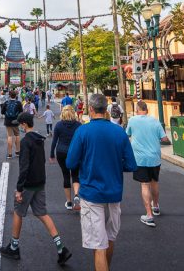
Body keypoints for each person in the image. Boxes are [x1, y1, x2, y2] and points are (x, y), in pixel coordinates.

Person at [66, 93, 137, 271]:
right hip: (114, 192)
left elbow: (70, 163)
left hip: (91, 193)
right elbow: (131, 164)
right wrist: (113, 163)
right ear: (106, 110)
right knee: (110, 238)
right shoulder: (119, 132)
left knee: (99, 245)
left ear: (90, 109)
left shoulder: (83, 131)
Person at [0, 113, 73, 265]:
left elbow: (24, 167)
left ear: (25, 125)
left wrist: (19, 189)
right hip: (40, 182)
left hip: (29, 184)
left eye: (20, 124)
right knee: (43, 214)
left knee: (18, 212)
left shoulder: (26, 142)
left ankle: (14, 247)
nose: (19, 126)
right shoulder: (39, 139)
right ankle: (61, 248)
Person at [126, 101, 169, 227]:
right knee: (154, 182)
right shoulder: (155, 121)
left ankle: (149, 215)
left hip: (140, 158)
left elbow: (127, 134)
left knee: (145, 185)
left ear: (137, 109)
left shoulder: (133, 120)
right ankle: (155, 206)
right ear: (147, 110)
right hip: (155, 157)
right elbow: (164, 138)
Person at [50, 106, 82, 210]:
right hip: (75, 152)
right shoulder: (78, 125)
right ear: (73, 113)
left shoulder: (59, 125)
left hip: (61, 152)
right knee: (75, 174)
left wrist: (51, 154)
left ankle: (69, 202)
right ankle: (76, 195)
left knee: (66, 175)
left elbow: (54, 141)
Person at [3, 90, 23, 159]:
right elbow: (21, 112)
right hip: (16, 121)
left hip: (8, 122)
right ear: (16, 96)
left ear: (9, 95)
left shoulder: (6, 103)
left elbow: (2, 112)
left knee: (9, 136)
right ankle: (17, 152)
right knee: (17, 135)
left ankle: (10, 154)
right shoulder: (18, 103)